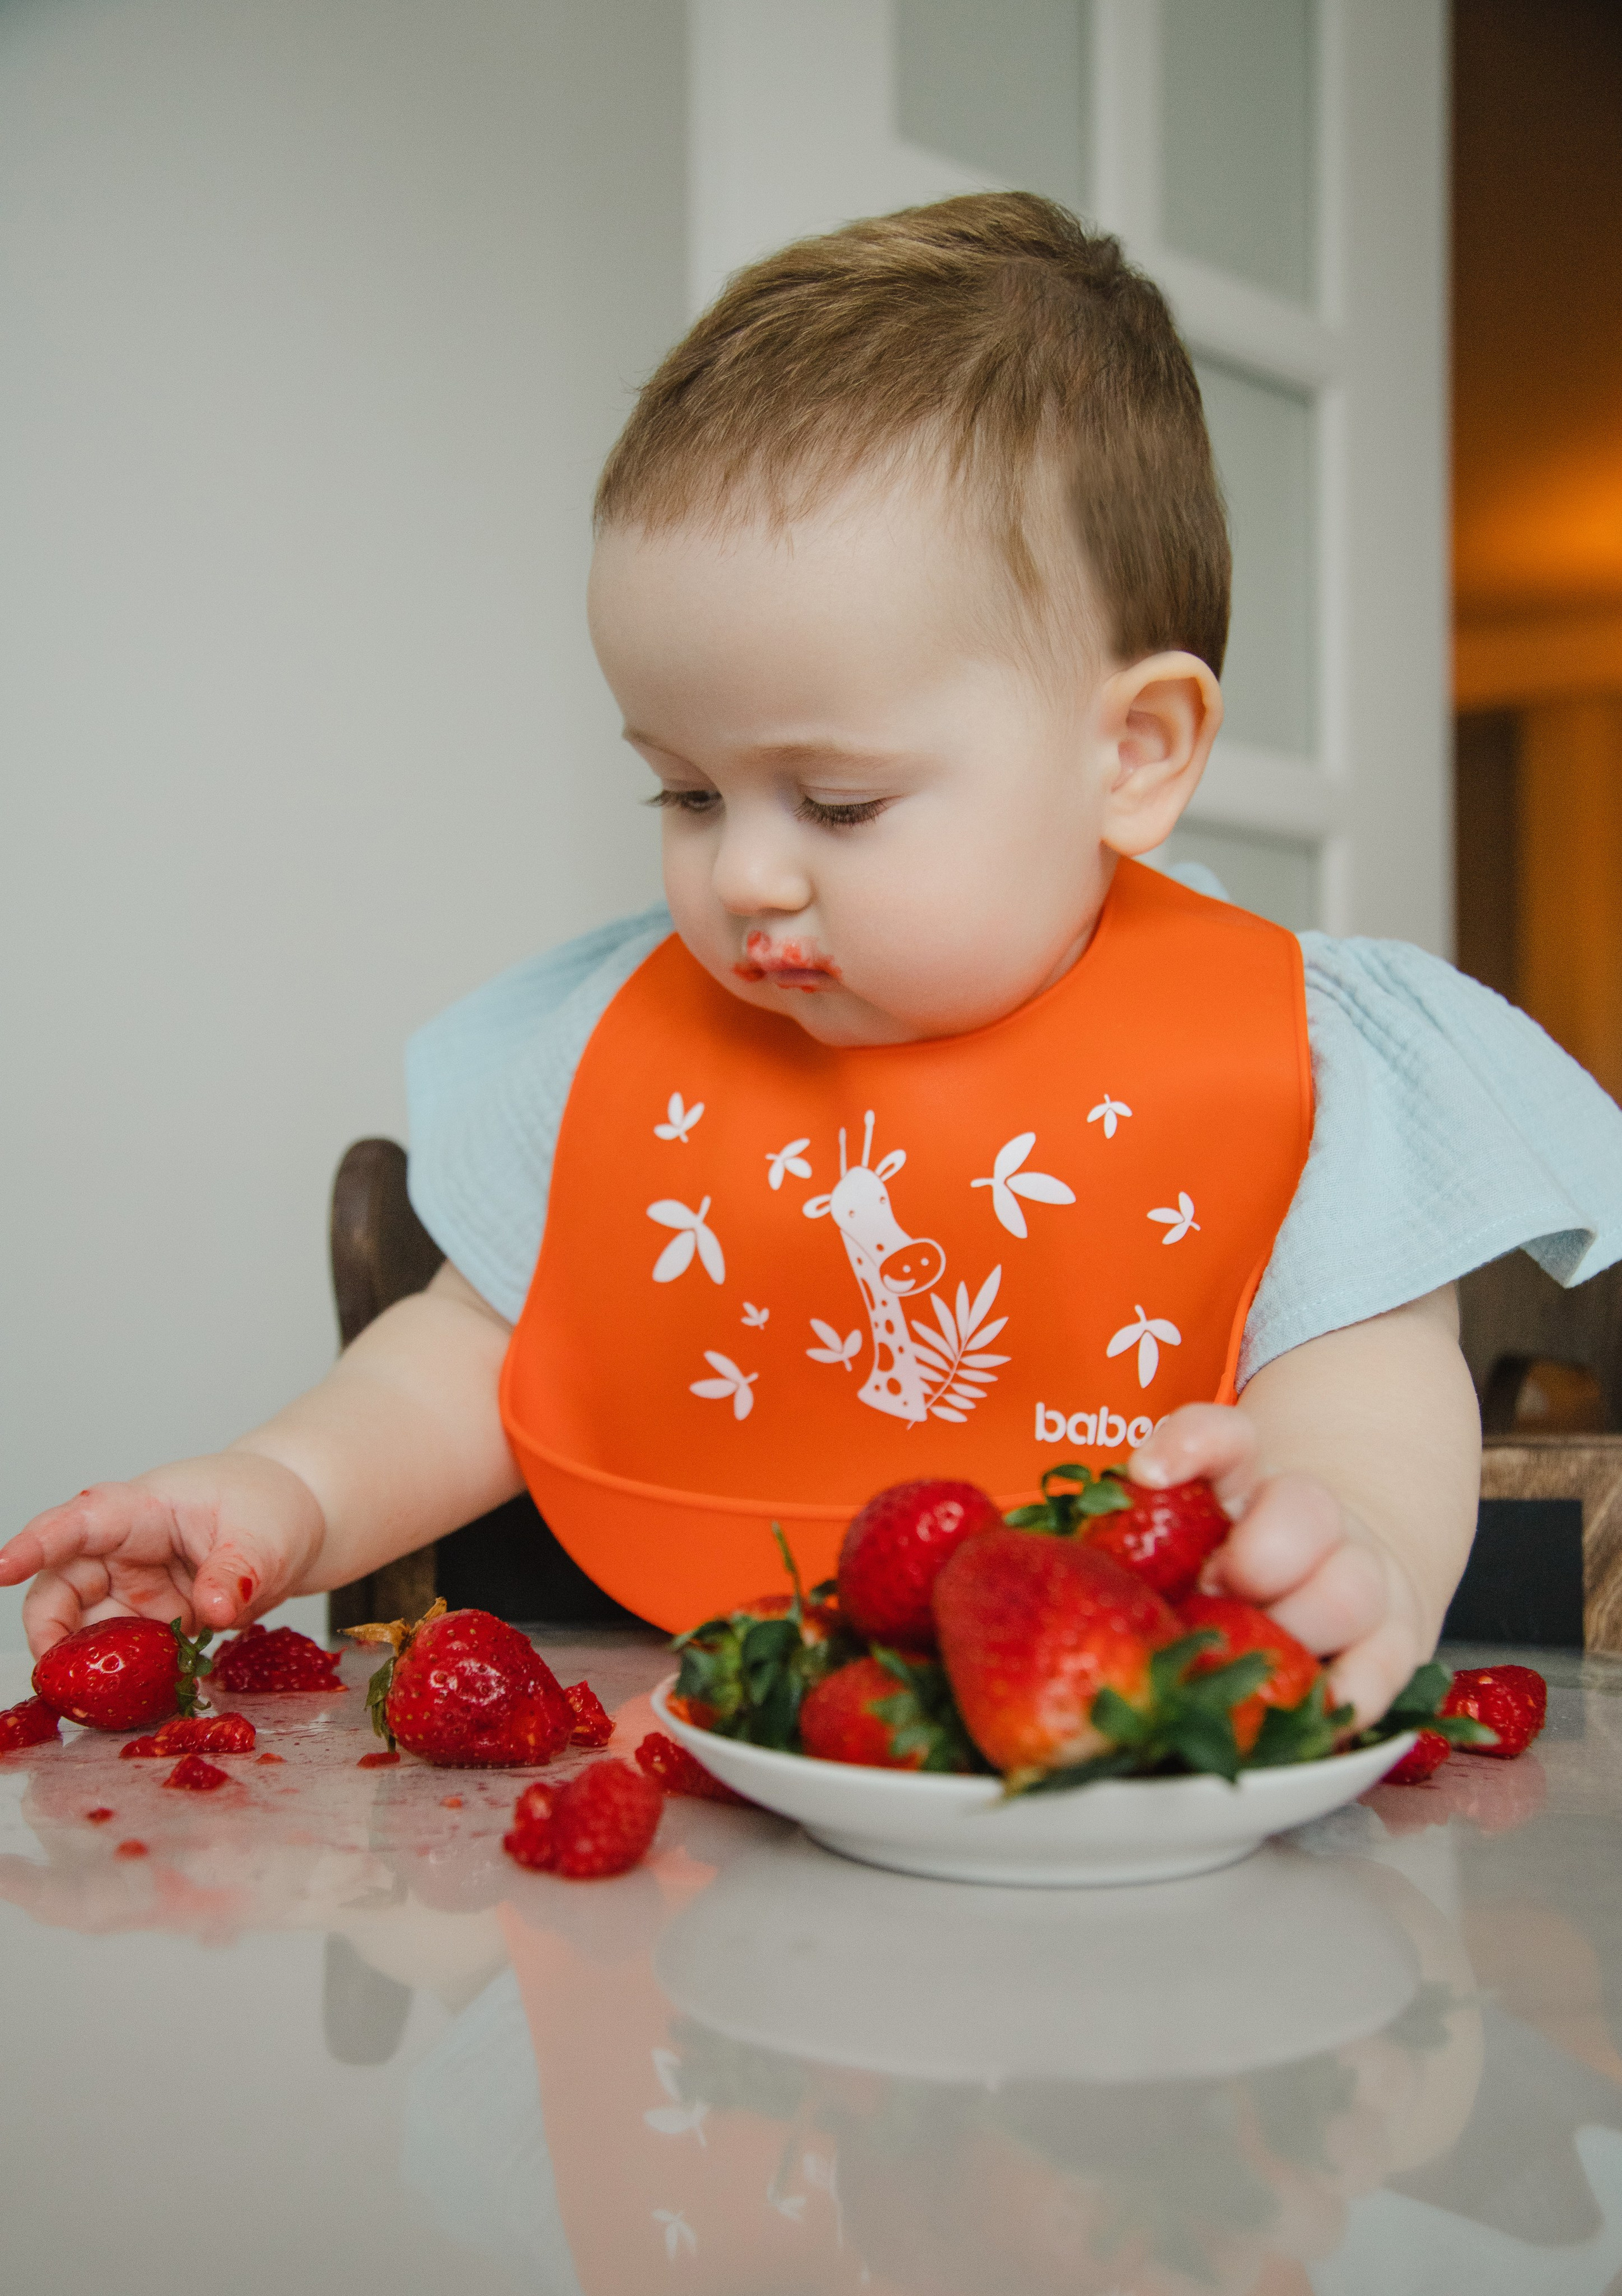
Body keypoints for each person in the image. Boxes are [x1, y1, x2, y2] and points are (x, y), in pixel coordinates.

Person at [6, 194, 1619, 1729]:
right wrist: (285, 1492)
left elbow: (1371, 1398)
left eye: (837, 802)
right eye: (686, 791)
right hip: (679, 1827)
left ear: (1132, 751)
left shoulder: (1298, 1056)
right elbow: (473, 1353)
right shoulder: (610, 1040)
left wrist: (1351, 1547)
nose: (741, 871)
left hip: (1111, 1811)